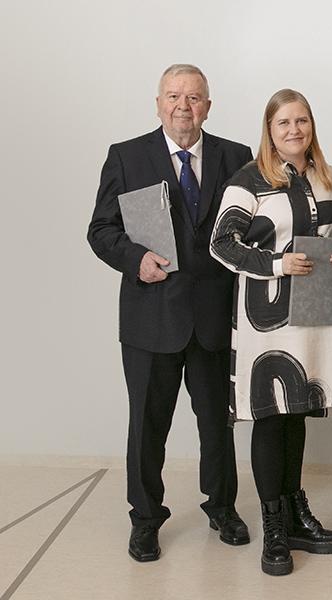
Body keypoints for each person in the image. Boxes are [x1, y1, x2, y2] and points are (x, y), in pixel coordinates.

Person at [87, 64, 251, 563]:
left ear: (209, 104)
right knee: (147, 425)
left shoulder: (237, 157)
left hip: (214, 316)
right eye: (174, 96)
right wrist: (135, 259)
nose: (184, 105)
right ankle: (145, 518)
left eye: (195, 97)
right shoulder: (127, 156)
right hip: (150, 315)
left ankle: (222, 507)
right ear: (158, 103)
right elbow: (101, 229)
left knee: (215, 425)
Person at [210, 88, 332, 575]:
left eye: (302, 121)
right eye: (284, 123)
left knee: (298, 411)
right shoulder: (249, 180)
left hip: (315, 308)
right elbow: (221, 244)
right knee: (272, 413)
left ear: (312, 126)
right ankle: (272, 528)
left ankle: (294, 512)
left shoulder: (329, 178)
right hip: (267, 316)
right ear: (269, 130)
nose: (294, 130)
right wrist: (276, 262)